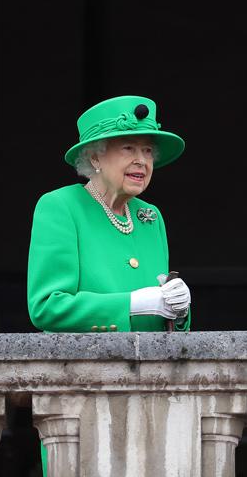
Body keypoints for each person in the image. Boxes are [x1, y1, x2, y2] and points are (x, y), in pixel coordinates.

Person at [27, 95, 191, 334]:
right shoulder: (61, 206)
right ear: (95, 157)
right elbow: (47, 307)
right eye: (128, 148)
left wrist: (178, 310)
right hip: (84, 367)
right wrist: (131, 304)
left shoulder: (150, 216)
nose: (142, 161)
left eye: (147, 151)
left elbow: (163, 324)